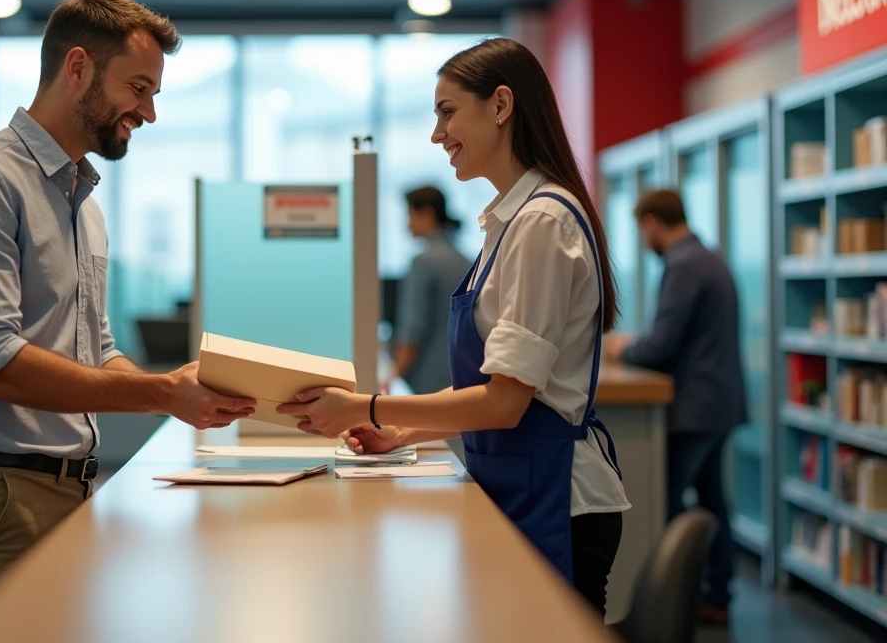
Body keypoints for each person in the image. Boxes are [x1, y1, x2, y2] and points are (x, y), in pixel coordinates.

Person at [0, 0, 256, 620]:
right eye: (138, 88)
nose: (148, 112)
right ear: (77, 69)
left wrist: (177, 389)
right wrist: (158, 396)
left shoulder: (84, 205)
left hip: (68, 486)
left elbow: (96, 349)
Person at [279, 37, 629, 615]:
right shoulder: (509, 220)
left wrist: (366, 408)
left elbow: (504, 404)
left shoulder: (542, 220)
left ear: (500, 105)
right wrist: (402, 434)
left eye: (446, 113)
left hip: (559, 501)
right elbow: (496, 386)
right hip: (524, 482)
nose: (437, 135)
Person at [604, 189, 747, 627]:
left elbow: (662, 346)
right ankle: (716, 596)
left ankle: (671, 606)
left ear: (650, 222)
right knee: (711, 499)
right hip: (718, 402)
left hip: (694, 408)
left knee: (662, 502)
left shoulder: (682, 265)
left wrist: (621, 351)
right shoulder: (709, 257)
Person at [392, 186, 472, 395]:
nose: (407, 224)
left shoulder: (423, 262)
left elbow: (413, 329)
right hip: (462, 376)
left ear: (425, 214)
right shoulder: (467, 262)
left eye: (409, 215)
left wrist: (393, 376)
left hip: (426, 380)